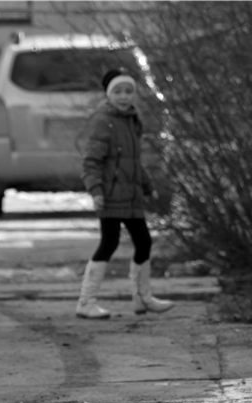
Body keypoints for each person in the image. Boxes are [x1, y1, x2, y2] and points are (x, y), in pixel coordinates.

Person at [77, 67, 173, 319]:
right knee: (109, 243)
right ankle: (86, 301)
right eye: (118, 91)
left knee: (143, 242)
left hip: (131, 196)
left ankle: (142, 297)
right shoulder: (103, 121)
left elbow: (133, 160)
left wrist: (146, 184)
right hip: (109, 195)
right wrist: (96, 190)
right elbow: (91, 161)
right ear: (108, 95)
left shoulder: (131, 121)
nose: (123, 97)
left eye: (128, 91)